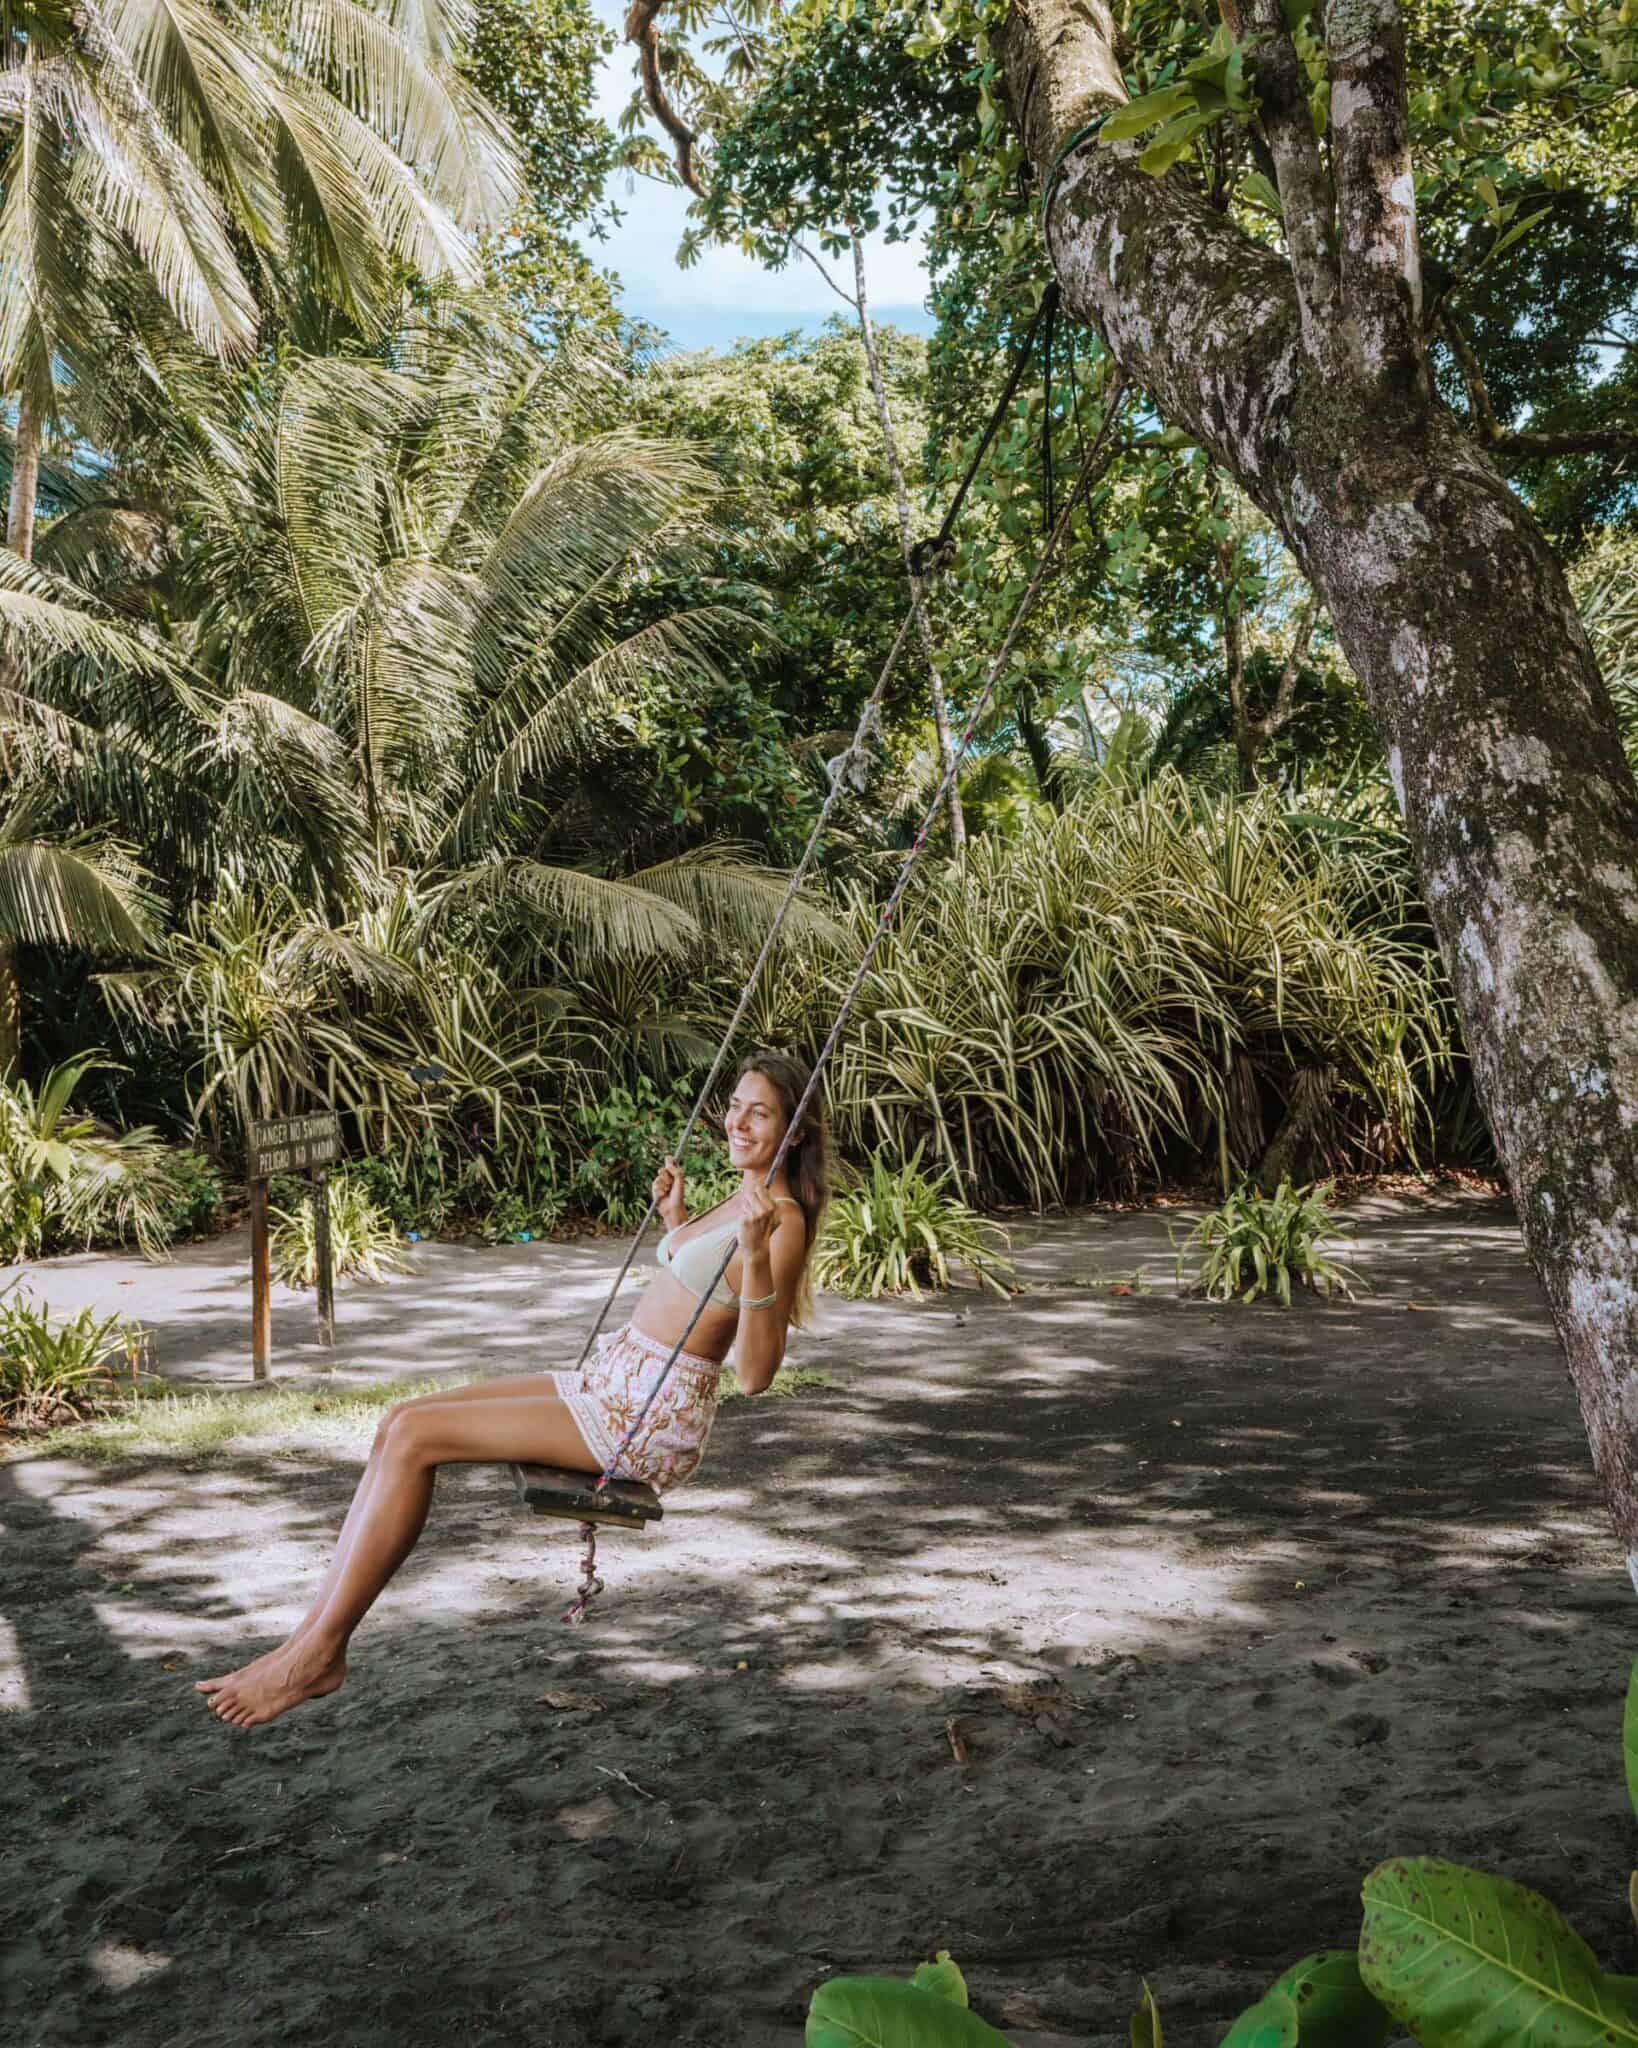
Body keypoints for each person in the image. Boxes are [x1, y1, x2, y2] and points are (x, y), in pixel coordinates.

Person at [195, 1051, 831, 1729]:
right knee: (399, 1418)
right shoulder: (741, 1194)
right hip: (613, 1379)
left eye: (759, 1112)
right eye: (735, 1104)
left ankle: (317, 1655)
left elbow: (757, 1375)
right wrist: (676, 1221)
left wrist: (760, 1250)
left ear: (793, 1132)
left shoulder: (780, 1220)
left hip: (647, 1418)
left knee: (414, 1440)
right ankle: (305, 1640)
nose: (737, 1120)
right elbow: (706, 1290)